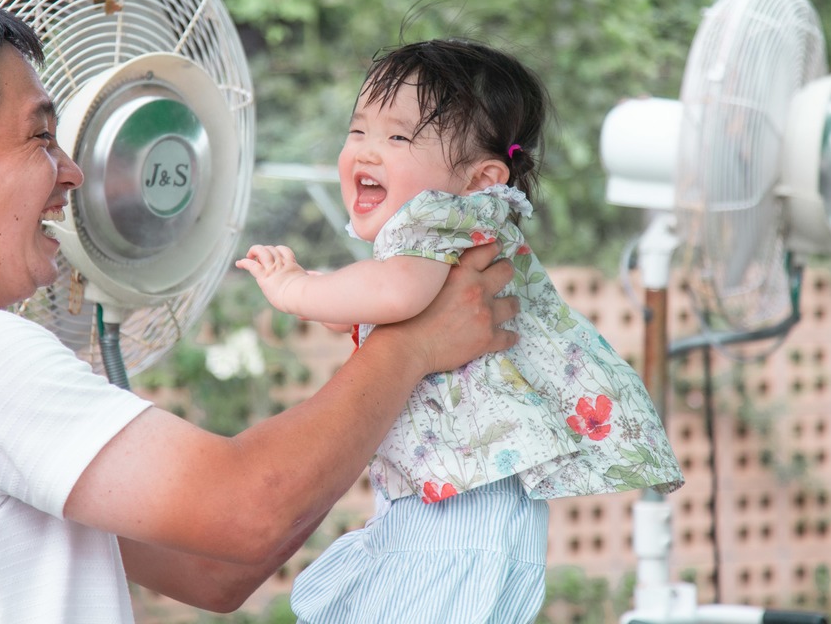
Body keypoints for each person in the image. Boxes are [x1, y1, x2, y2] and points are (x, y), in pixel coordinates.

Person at [0, 0, 523, 623]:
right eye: (40, 138)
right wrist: (412, 345)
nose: (71, 172)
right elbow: (244, 510)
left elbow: (218, 568)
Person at [237, 38, 684, 623]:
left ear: (480, 178)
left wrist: (298, 289)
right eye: (358, 131)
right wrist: (338, 298)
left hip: (458, 512)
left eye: (398, 137)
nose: (368, 151)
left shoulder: (440, 218)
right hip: (468, 500)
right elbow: (391, 296)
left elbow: (396, 292)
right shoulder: (457, 231)